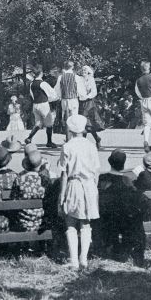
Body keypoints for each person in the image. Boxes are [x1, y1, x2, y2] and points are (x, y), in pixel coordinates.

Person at [58, 114, 100, 269]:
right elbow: (96, 170)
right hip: (89, 184)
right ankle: (84, 259)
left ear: (70, 129)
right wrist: (94, 189)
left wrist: (62, 196)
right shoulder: (91, 146)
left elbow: (64, 173)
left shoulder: (67, 146)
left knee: (70, 223)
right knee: (86, 223)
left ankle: (74, 261)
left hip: (73, 184)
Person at [97, 149, 147, 265]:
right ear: (124, 163)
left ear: (109, 161)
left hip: (107, 218)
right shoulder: (126, 180)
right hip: (124, 220)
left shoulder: (102, 178)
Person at [10, 151, 46, 232]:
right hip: (39, 221)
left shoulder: (19, 178)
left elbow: (14, 197)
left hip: (23, 221)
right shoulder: (42, 179)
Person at [25, 65, 59, 148]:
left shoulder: (31, 84)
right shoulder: (43, 83)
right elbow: (53, 94)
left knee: (38, 123)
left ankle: (29, 138)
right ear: (41, 73)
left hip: (35, 105)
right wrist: (52, 99)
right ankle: (49, 142)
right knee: (49, 124)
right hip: (43, 104)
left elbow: (32, 96)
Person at [54, 61, 87, 141]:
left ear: (65, 67)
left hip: (64, 100)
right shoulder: (76, 77)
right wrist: (83, 96)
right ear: (72, 67)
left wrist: (58, 96)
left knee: (66, 118)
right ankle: (73, 137)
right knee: (74, 118)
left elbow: (57, 89)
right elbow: (80, 90)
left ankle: (68, 137)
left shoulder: (60, 77)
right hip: (73, 99)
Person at [79, 65, 104, 149]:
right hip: (81, 102)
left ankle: (89, 141)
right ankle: (96, 139)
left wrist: (88, 96)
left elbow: (94, 91)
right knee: (84, 123)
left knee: (89, 122)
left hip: (89, 102)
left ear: (88, 71)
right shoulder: (79, 79)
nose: (83, 71)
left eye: (85, 70)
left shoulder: (91, 79)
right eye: (82, 70)